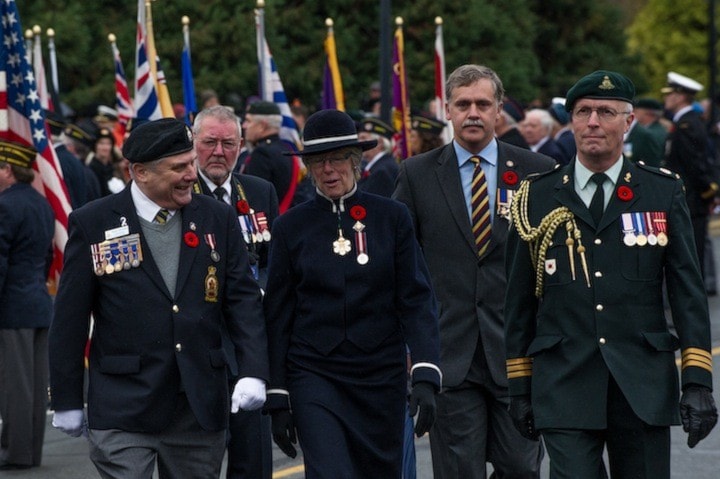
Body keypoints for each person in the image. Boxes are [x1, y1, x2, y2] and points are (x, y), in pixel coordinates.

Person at [505, 70, 718, 478]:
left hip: (641, 384)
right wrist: (519, 386)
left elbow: (687, 293)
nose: (592, 122)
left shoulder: (660, 191)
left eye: (605, 112)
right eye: (583, 111)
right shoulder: (538, 195)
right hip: (564, 382)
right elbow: (518, 300)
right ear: (570, 121)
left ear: (629, 122)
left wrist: (697, 382)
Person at [48, 118, 270, 478]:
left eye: (191, 164)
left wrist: (253, 371)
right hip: (124, 402)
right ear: (139, 172)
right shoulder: (94, 222)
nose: (190, 175)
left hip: (196, 405)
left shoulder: (217, 217)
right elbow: (70, 318)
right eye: (178, 168)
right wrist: (67, 397)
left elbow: (243, 301)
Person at [393, 64, 553, 479]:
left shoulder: (536, 172)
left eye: (483, 103)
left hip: (517, 355)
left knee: (521, 468)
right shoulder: (416, 173)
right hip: (449, 354)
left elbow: (553, 264)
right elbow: (400, 263)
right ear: (448, 110)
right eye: (463, 104)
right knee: (459, 471)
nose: (473, 113)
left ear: (499, 109)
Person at [264, 109, 441, 478]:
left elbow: (415, 297)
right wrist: (278, 393)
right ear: (308, 167)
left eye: (338, 159)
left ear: (355, 161)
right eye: (318, 161)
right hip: (315, 372)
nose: (329, 170)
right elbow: (278, 313)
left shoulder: (392, 218)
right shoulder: (289, 228)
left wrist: (425, 371)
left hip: (381, 374)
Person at [192, 105, 278, 479]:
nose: (218, 152)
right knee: (196, 463)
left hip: (247, 348)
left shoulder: (259, 192)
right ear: (193, 143)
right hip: (199, 347)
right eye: (209, 142)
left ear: (241, 146)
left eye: (228, 143)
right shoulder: (179, 192)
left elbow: (274, 262)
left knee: (253, 461)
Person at [0, 141, 55, 470]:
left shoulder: (5, 206)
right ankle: (30, 451)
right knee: (34, 385)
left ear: (7, 170)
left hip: (12, 307)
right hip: (36, 300)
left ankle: (15, 453)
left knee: (14, 385)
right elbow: (47, 256)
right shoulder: (40, 203)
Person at [662, 71, 719, 275]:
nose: (665, 98)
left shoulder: (687, 124)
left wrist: (709, 193)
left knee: (691, 259)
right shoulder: (684, 123)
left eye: (669, 94)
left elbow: (696, 165)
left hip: (691, 200)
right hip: (687, 199)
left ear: (680, 97)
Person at [241, 101, 297, 212]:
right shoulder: (286, 149)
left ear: (262, 126)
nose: (244, 126)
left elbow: (255, 197)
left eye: (248, 121)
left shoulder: (261, 154)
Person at [356, 116, 398, 197]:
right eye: (359, 138)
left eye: (363, 138)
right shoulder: (378, 166)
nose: (359, 143)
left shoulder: (383, 170)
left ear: (380, 143)